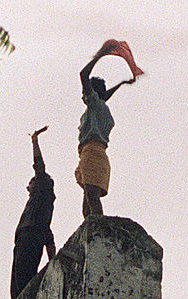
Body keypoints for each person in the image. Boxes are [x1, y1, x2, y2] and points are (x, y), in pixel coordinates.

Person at [76, 45, 135, 219]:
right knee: (88, 201)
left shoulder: (95, 105)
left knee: (92, 199)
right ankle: (90, 227)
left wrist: (99, 56)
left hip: (92, 154)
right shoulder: (101, 109)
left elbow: (82, 75)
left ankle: (98, 229)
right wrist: (121, 84)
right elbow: (104, 96)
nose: (82, 94)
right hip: (96, 155)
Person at [10, 127, 56, 299]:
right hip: (23, 239)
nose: (27, 187)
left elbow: (39, 166)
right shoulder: (37, 207)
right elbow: (49, 235)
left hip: (30, 238)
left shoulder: (44, 194)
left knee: (23, 282)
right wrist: (53, 259)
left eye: (30, 182)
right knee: (16, 289)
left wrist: (35, 142)